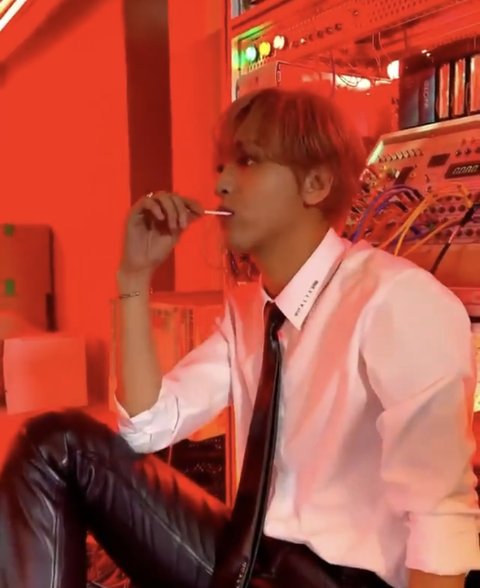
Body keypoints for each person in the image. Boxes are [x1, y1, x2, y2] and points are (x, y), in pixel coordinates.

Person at [0, 88, 479, 588]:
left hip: (341, 579)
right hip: (252, 561)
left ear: (315, 184)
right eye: (221, 166)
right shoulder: (252, 309)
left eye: (247, 161)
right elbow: (146, 425)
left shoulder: (396, 301)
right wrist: (134, 278)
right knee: (53, 444)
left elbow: (441, 519)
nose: (222, 184)